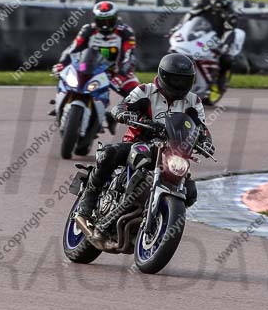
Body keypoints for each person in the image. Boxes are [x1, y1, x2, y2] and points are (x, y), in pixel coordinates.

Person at [75, 53, 215, 221]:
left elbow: (201, 127)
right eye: (175, 79)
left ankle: (160, 218)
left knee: (190, 193)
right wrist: (123, 113)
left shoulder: (194, 101)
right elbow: (122, 106)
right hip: (139, 143)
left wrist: (206, 141)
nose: (179, 84)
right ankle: (89, 199)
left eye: (184, 80)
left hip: (172, 152)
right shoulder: (145, 91)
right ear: (163, 76)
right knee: (108, 153)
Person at [52, 0, 139, 131]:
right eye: (101, 21)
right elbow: (73, 49)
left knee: (137, 94)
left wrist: (123, 72)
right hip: (89, 69)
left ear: (115, 18)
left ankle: (116, 117)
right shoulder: (88, 29)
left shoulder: (125, 32)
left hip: (115, 71)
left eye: (108, 21)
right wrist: (61, 64)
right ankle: (60, 102)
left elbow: (130, 54)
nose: (104, 25)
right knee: (65, 75)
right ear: (95, 19)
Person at [186, 0, 239, 91]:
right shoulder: (204, 2)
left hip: (217, 38)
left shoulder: (230, 11)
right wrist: (179, 29)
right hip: (200, 34)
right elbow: (190, 16)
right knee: (184, 48)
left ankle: (221, 77)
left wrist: (225, 45)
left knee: (227, 58)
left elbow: (229, 30)